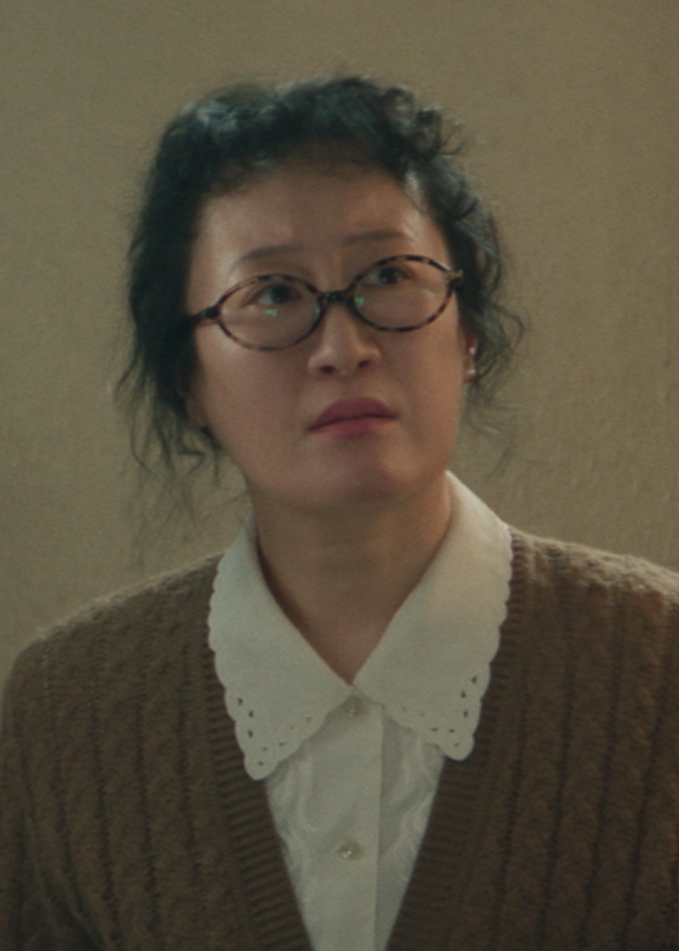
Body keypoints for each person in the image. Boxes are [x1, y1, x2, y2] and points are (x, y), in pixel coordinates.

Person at [2, 76, 679, 951]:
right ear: (188, 381)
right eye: (272, 294)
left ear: (467, 334)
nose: (342, 346)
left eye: (389, 276)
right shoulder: (67, 713)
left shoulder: (656, 668)